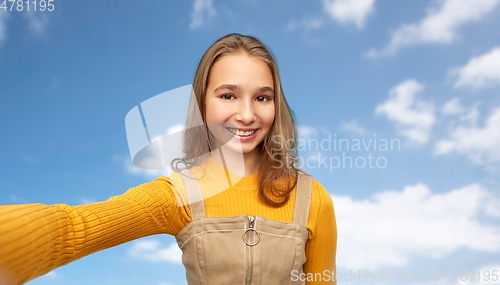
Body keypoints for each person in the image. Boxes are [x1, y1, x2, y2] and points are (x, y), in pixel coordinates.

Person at [0, 33, 337, 284]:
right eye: (228, 95)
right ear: (202, 104)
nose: (247, 114)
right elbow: (75, 228)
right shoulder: (179, 194)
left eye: (262, 97)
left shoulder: (312, 198)